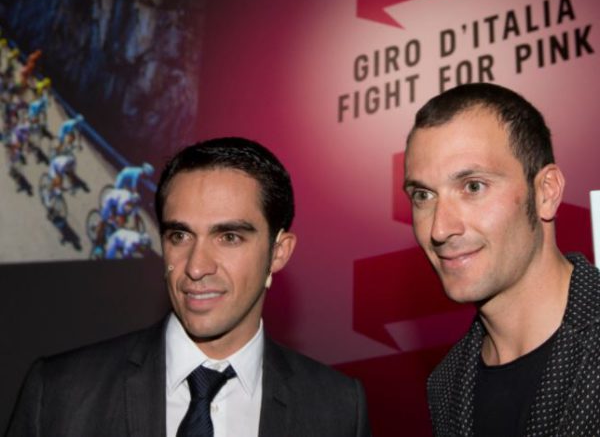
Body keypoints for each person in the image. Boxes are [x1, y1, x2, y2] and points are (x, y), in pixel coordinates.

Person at [7, 136, 371, 437]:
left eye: (229, 237)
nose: (196, 267)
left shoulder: (336, 408)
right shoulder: (60, 392)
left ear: (278, 253)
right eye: (179, 235)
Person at [403, 83, 600, 436]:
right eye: (423, 195)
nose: (439, 229)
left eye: (473, 186)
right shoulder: (446, 385)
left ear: (546, 192)